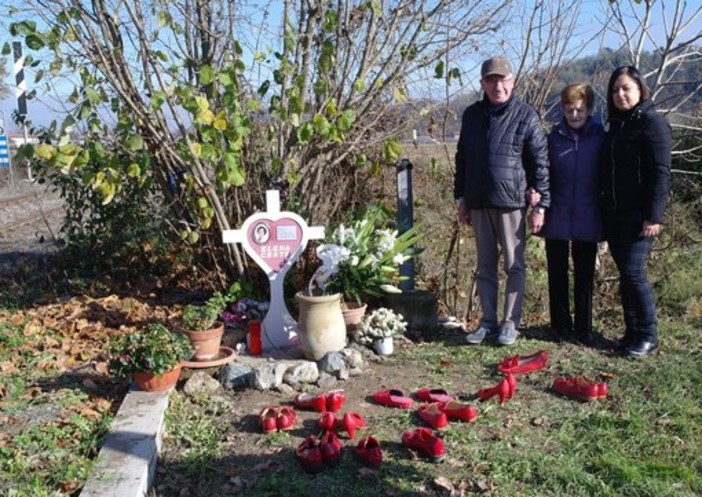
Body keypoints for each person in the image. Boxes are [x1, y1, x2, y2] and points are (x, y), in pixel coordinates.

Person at [454, 56, 550, 346]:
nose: (498, 86)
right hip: (479, 202)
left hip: (512, 203)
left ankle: (510, 323)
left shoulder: (526, 115)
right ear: (483, 84)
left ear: (513, 82)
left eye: (503, 80)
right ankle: (487, 322)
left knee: (514, 265)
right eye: (491, 80)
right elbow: (463, 159)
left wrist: (540, 204)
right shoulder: (471, 115)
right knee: (484, 267)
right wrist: (461, 198)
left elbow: (540, 163)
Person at [599, 65, 671, 358]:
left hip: (640, 215)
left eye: (626, 88)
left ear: (641, 89)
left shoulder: (652, 123)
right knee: (625, 274)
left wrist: (654, 215)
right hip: (615, 212)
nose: (620, 94)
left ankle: (649, 335)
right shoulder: (617, 124)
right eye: (615, 89)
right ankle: (632, 332)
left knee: (634, 273)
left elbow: (661, 173)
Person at [539, 83, 605, 346]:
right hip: (557, 212)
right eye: (569, 110)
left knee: (584, 275)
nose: (574, 115)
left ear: (589, 109)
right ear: (563, 110)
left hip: (589, 214)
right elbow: (542, 172)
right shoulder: (553, 138)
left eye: (579, 109)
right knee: (556, 273)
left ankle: (584, 328)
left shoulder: (602, 137)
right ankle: (560, 326)